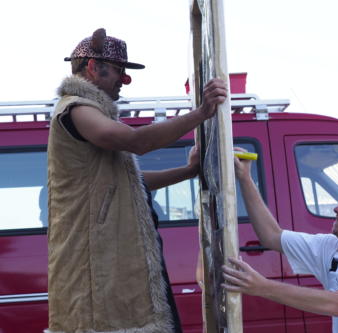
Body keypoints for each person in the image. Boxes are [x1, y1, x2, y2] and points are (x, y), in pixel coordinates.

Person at [46, 28, 227, 333]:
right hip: (96, 269)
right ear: (93, 67)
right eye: (119, 71)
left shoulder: (93, 115)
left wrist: (187, 171)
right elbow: (137, 141)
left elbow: (131, 182)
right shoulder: (75, 109)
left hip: (111, 264)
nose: (123, 80)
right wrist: (201, 113)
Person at [222, 151, 338, 333]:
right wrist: (245, 178)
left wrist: (262, 287)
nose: (337, 208)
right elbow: (271, 236)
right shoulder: (332, 248)